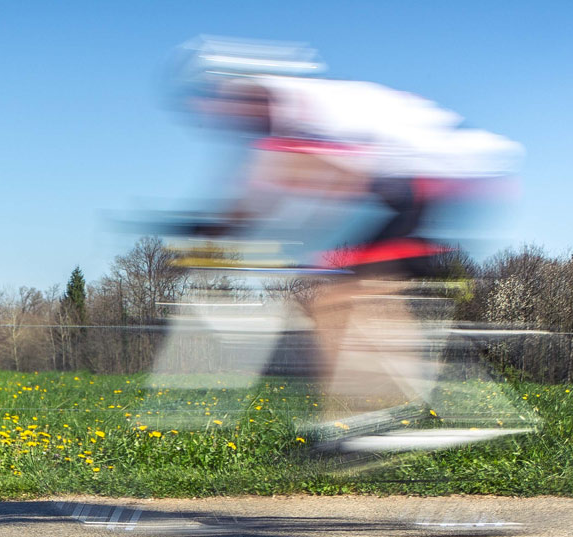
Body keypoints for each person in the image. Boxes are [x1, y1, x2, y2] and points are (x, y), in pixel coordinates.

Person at [167, 37, 525, 456]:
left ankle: (384, 411)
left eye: (216, 100)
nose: (216, 114)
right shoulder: (296, 113)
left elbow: (290, 191)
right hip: (439, 176)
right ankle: (392, 406)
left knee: (340, 291)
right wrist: (219, 227)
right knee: (348, 285)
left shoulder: (293, 113)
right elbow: (270, 194)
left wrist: (216, 228)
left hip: (435, 178)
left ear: (242, 89)